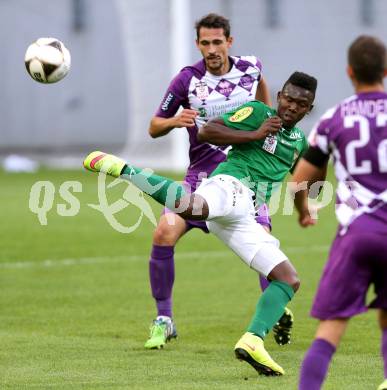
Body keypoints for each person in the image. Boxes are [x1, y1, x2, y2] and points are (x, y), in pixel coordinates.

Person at [83, 71, 317, 376]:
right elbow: (208, 132)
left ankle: (253, 342)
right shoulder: (259, 113)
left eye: (300, 104)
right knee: (191, 208)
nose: (290, 106)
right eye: (287, 97)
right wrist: (254, 134)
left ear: (308, 109)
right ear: (280, 95)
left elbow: (300, 181)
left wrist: (303, 209)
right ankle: (124, 169)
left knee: (288, 279)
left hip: (245, 214)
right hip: (231, 184)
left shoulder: (298, 141)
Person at [145, 12, 292, 350]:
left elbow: (266, 110)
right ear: (198, 44)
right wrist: (174, 121)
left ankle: (275, 314)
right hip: (201, 178)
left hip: (246, 178)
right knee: (164, 231)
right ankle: (164, 319)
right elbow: (154, 126)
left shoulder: (251, 69)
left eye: (217, 42)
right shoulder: (187, 81)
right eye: (205, 43)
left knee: (263, 242)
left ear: (230, 41)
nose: (211, 49)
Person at [291, 36, 387, 390]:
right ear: (386, 70)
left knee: (330, 327)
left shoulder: (334, 118)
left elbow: (300, 180)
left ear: (349, 72)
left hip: (357, 235)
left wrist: (306, 208)